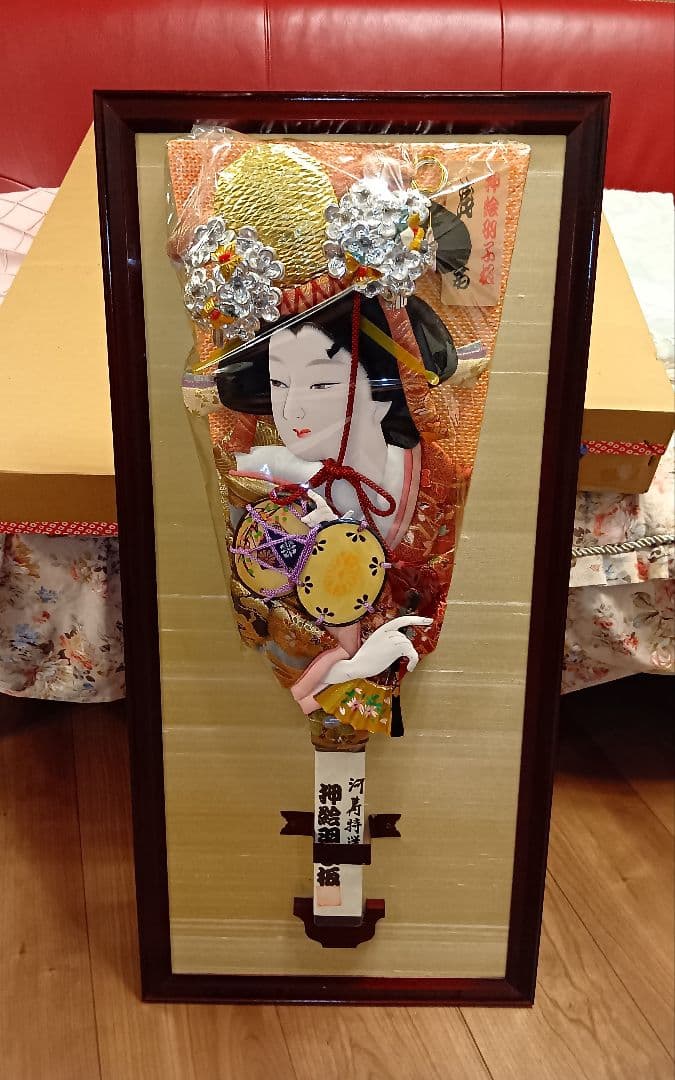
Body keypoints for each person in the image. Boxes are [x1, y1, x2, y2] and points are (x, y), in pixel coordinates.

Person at [214, 290, 463, 736]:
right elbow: (266, 608)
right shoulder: (261, 483)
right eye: (278, 382)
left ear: (383, 391)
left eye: (321, 384)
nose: (292, 408)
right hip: (300, 679)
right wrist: (347, 666)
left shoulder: (434, 478)